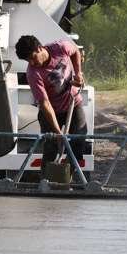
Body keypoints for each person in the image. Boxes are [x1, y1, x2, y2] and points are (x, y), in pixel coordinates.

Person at [14, 35, 87, 181]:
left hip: (73, 103)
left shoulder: (60, 48)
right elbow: (45, 103)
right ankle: (46, 182)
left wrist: (78, 73)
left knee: (79, 140)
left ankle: (64, 178)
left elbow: (75, 52)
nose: (32, 62)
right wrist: (57, 132)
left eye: (33, 57)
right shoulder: (33, 73)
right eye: (28, 61)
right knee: (52, 146)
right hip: (51, 111)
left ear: (39, 48)